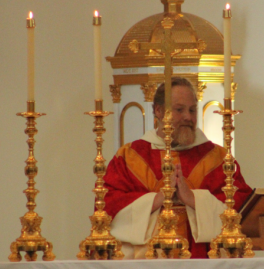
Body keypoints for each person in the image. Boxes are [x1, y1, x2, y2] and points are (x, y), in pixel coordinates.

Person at [103, 77, 253, 258]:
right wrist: (158, 199)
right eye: (179, 109)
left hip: (203, 262)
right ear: (158, 111)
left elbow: (242, 207)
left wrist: (193, 199)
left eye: (192, 110)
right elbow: (108, 205)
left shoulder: (219, 158)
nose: (188, 117)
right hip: (146, 264)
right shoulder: (129, 156)